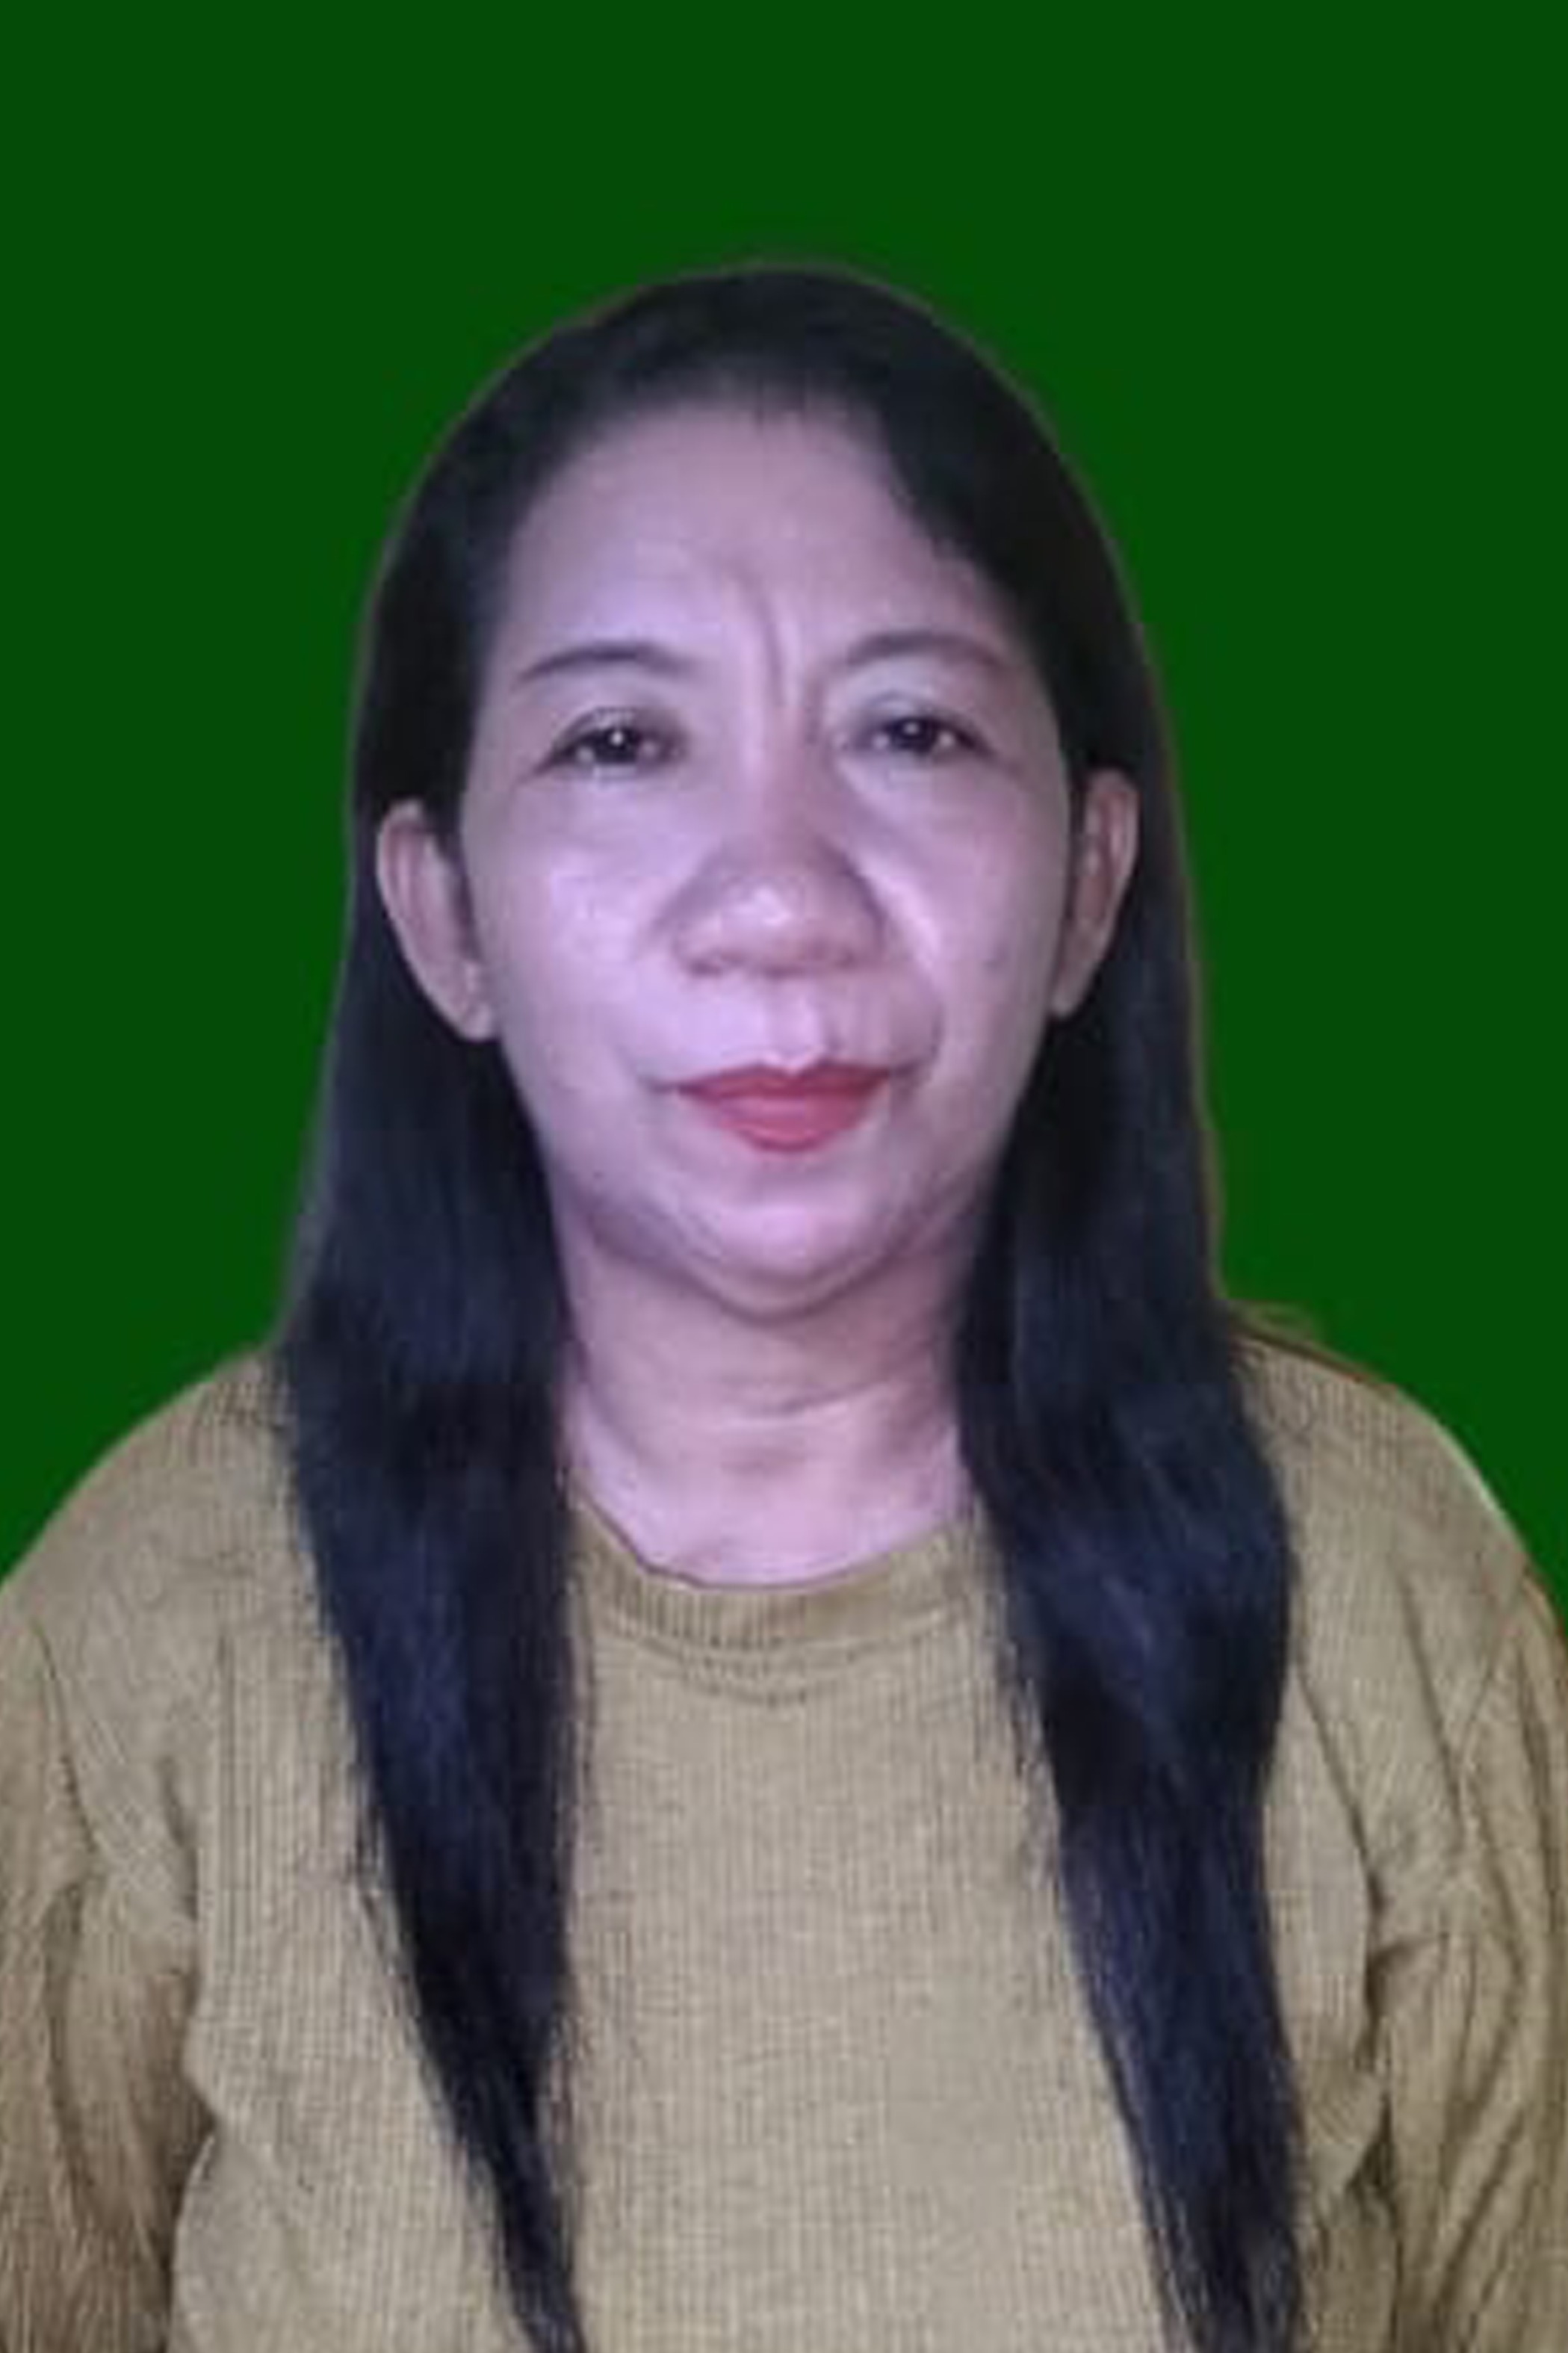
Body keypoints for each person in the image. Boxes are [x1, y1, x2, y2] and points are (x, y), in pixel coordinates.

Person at [1, 265, 1564, 2353]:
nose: (776, 899)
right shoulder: (152, 1624)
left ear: (1090, 884)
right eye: (620, 743)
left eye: (910, 731)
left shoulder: (1382, 1597)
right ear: (443, 916)